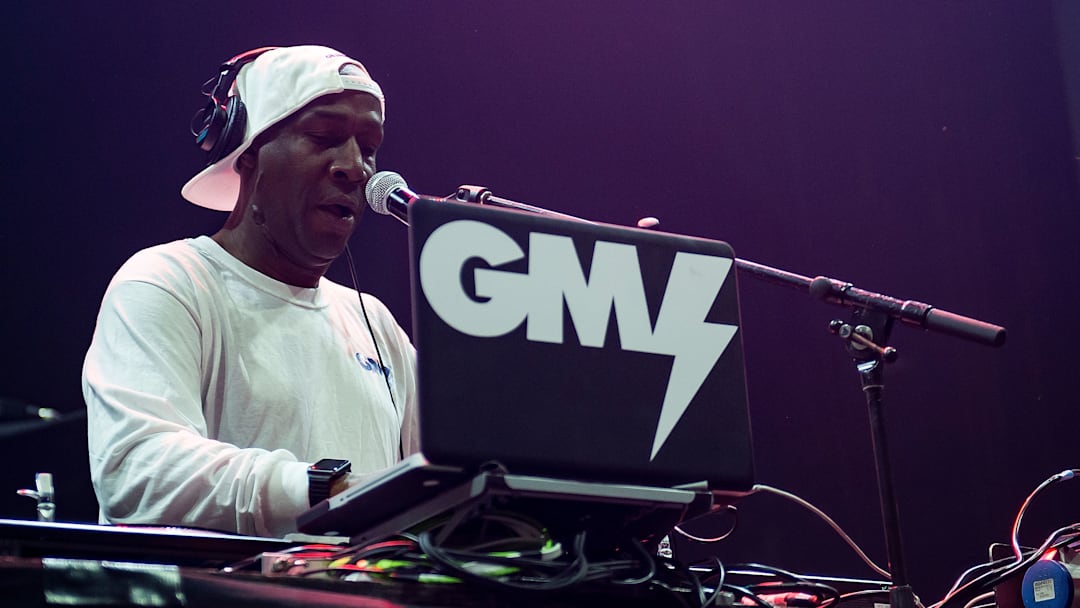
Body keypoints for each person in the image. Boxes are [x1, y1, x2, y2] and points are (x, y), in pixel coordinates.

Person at [82, 45, 419, 538]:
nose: (355, 167)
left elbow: (437, 488)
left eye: (368, 147)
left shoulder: (376, 324)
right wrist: (323, 490)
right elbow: (138, 470)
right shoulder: (168, 281)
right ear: (248, 158)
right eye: (324, 137)